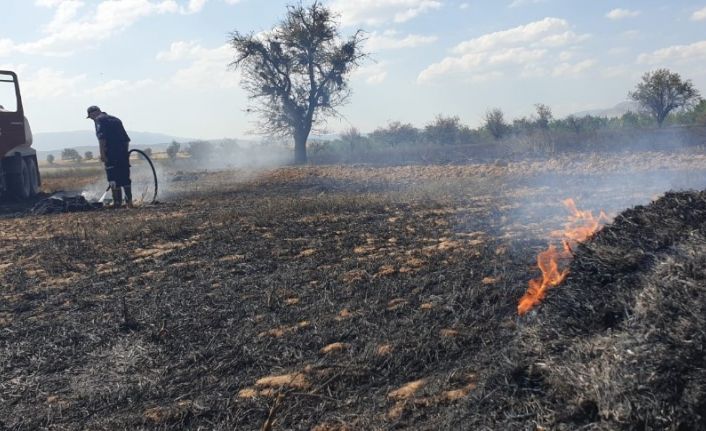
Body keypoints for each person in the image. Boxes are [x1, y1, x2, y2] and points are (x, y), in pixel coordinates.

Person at [86, 105, 132, 208]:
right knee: (125, 178)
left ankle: (117, 203)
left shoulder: (99, 120)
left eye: (91, 117)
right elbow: (126, 139)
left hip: (111, 154)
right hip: (123, 154)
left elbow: (102, 139)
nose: (92, 119)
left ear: (94, 113)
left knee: (113, 179)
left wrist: (103, 155)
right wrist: (125, 153)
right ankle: (129, 203)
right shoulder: (116, 119)